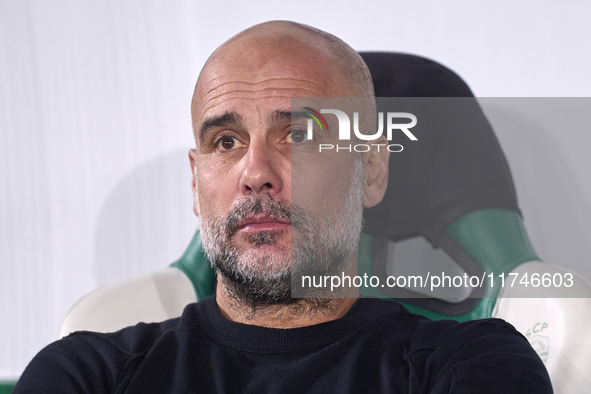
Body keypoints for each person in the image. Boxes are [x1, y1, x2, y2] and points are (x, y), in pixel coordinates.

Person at [14, 21, 552, 393]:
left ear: (371, 169)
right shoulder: (88, 374)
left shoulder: (472, 366)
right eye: (225, 142)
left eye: (296, 133)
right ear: (196, 182)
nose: (255, 174)